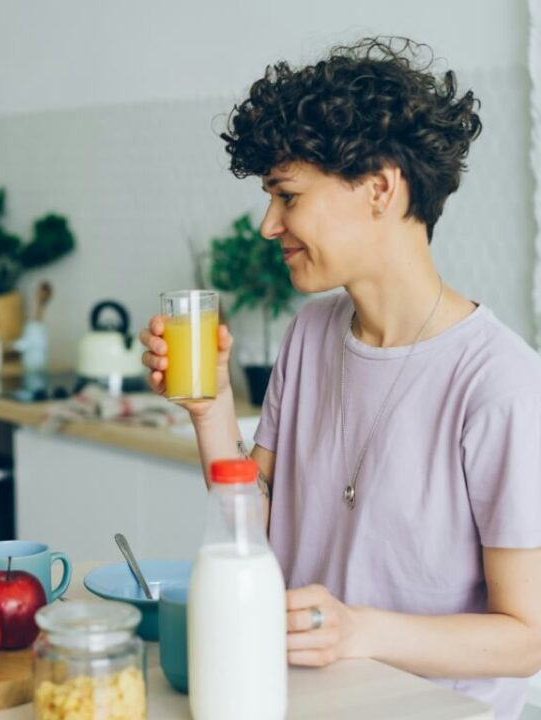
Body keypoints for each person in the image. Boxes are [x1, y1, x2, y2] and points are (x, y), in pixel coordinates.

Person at [141, 38, 541, 719]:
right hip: (300, 700)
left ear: (380, 188)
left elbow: (526, 639)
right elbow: (251, 525)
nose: (270, 225)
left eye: (286, 196)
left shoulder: (500, 383)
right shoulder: (313, 332)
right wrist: (209, 409)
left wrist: (359, 631)